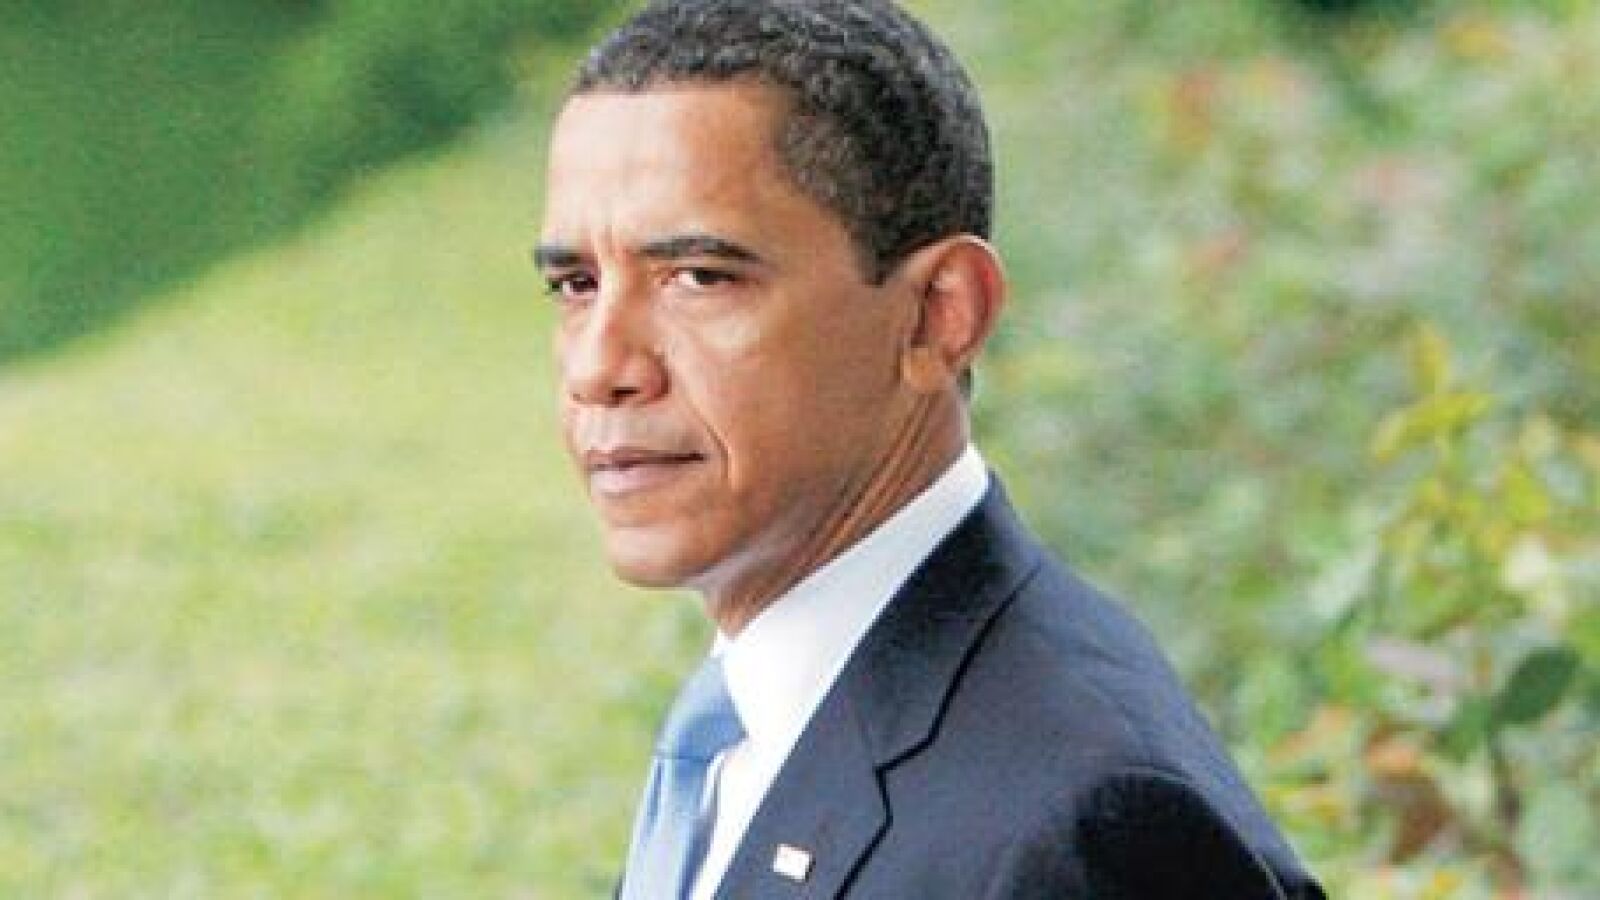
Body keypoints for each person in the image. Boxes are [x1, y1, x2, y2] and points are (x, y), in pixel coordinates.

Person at [534, 1, 1325, 897]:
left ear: (939, 316)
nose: (600, 368)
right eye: (576, 284)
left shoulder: (1083, 824)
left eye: (700, 278)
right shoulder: (759, 716)